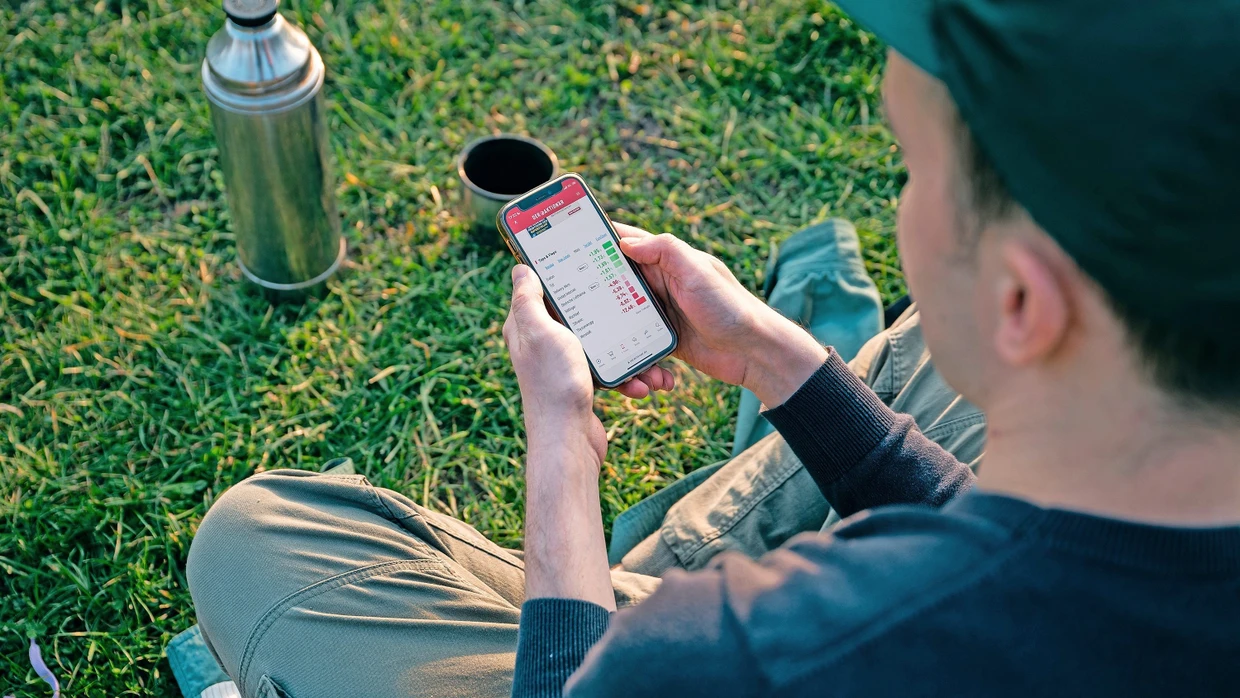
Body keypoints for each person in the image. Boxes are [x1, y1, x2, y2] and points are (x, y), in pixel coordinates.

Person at [187, 0, 1240, 695]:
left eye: (914, 171)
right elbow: (1033, 565)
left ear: (1020, 299)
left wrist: (562, 443)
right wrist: (776, 359)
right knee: (925, 354)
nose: (905, 207)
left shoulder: (724, 659)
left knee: (256, 541)